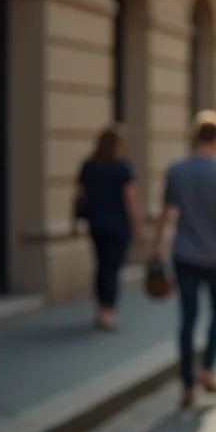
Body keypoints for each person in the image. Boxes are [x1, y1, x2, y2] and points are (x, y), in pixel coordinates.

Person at [150, 111, 216, 408]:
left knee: (188, 319)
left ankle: (187, 386)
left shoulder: (177, 169)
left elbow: (166, 213)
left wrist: (156, 247)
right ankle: (208, 369)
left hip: (185, 254)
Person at [72, 125, 142, 330]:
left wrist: (73, 222)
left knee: (102, 265)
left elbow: (78, 196)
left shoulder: (88, 166)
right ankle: (108, 310)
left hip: (96, 223)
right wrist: (138, 226)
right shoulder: (122, 167)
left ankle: (101, 306)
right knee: (112, 267)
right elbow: (130, 198)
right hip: (118, 224)